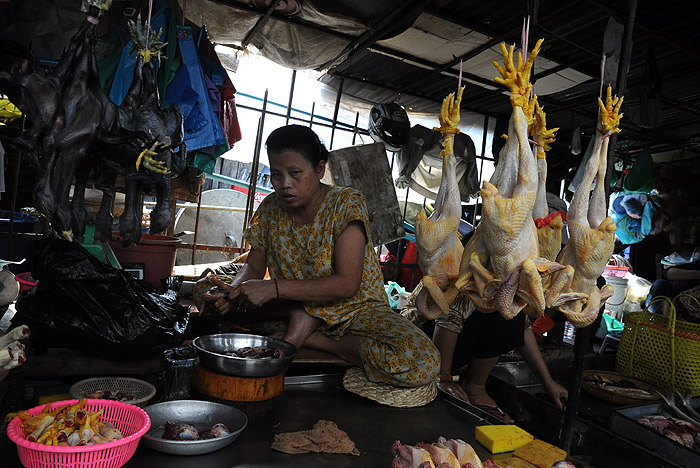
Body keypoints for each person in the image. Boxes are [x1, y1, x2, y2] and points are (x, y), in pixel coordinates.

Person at [203, 124, 440, 388]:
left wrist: (273, 288)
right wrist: (231, 293)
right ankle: (303, 323)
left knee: (422, 360)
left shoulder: (345, 203)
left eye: (295, 173)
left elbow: (347, 284)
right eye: (276, 175)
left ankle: (315, 337)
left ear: (319, 169)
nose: (285, 184)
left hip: (353, 310)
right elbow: (253, 267)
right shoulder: (270, 208)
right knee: (207, 294)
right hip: (293, 304)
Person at [409, 288, 568, 423]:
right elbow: (447, 320)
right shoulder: (470, 276)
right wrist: (443, 378)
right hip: (418, 347)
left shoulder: (507, 287)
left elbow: (523, 329)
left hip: (455, 347)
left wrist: (547, 382)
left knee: (512, 314)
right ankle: (470, 386)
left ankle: (474, 387)